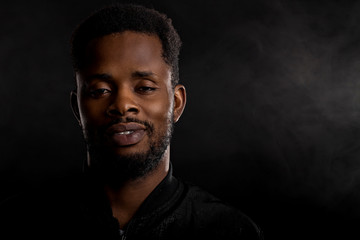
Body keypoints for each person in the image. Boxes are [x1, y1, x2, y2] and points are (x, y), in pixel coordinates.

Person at [0, 4, 263, 240]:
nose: (122, 105)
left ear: (177, 103)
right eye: (100, 90)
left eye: (145, 88)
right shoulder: (17, 222)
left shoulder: (229, 233)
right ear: (77, 108)